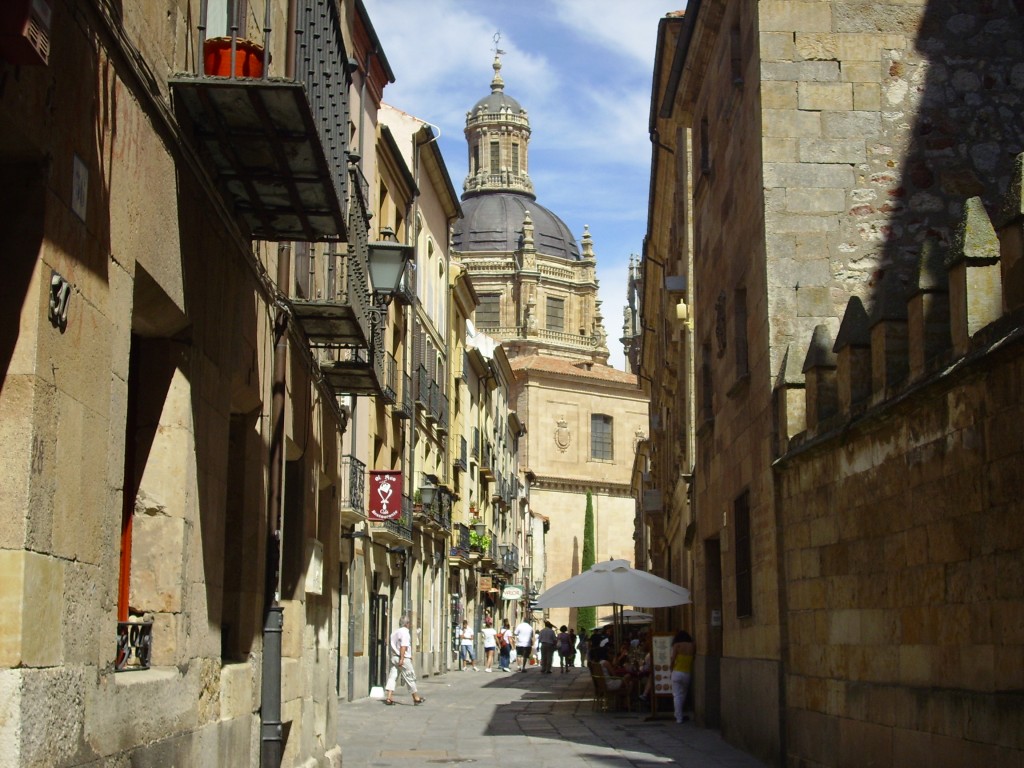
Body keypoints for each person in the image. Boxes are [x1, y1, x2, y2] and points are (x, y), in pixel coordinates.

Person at [384, 614, 425, 706]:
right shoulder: (405, 632)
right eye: (409, 623)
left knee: (392, 676)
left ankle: (389, 697)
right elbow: (403, 646)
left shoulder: (394, 632)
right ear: (406, 624)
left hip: (394, 656)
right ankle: (416, 697)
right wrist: (402, 658)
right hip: (402, 658)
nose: (409, 624)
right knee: (410, 676)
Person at [670, 630, 695, 723]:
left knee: (676, 695)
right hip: (687, 673)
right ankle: (678, 714)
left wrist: (671, 668)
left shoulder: (677, 645)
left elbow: (673, 659)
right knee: (683, 694)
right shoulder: (692, 645)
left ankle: (678, 717)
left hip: (677, 671)